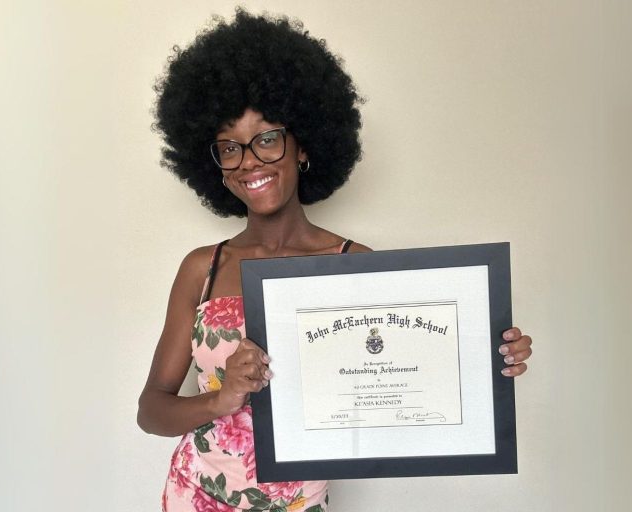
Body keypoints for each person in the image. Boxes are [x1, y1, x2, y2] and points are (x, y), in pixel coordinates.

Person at [137, 9, 534, 512]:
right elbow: (152, 410)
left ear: (303, 146)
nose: (250, 161)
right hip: (196, 496)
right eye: (229, 148)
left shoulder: (354, 264)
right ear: (214, 166)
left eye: (267, 138)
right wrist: (219, 399)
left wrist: (490, 354)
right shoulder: (203, 267)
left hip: (300, 504)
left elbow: (409, 369)